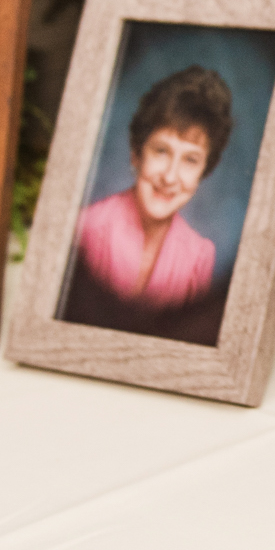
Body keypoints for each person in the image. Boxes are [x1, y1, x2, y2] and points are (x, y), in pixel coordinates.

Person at [61, 66, 232, 343]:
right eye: (161, 151)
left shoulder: (201, 256)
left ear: (204, 172)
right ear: (136, 154)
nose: (170, 176)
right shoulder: (84, 227)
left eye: (190, 160)